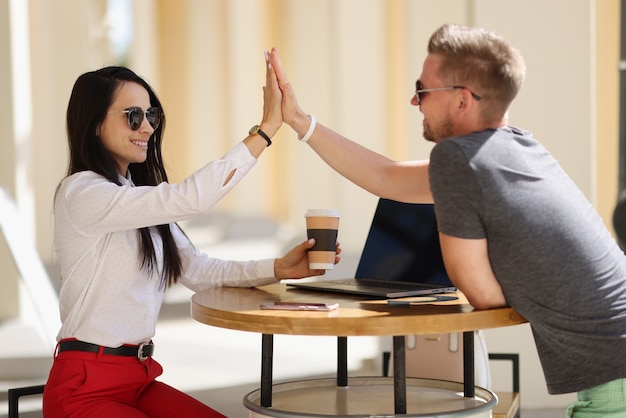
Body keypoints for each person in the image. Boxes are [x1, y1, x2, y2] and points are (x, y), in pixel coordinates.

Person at [268, 23, 626, 417]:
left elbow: (482, 294)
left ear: (462, 101)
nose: (413, 100)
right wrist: (301, 121)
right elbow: (387, 177)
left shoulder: (457, 159)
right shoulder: (517, 146)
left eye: (422, 91)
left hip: (615, 379)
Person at [42, 57, 340, 418]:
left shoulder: (136, 200)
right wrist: (265, 130)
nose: (148, 128)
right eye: (133, 116)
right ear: (93, 123)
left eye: (151, 116)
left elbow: (200, 271)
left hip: (138, 380)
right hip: (84, 388)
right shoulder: (82, 193)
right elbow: (191, 198)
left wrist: (279, 268)